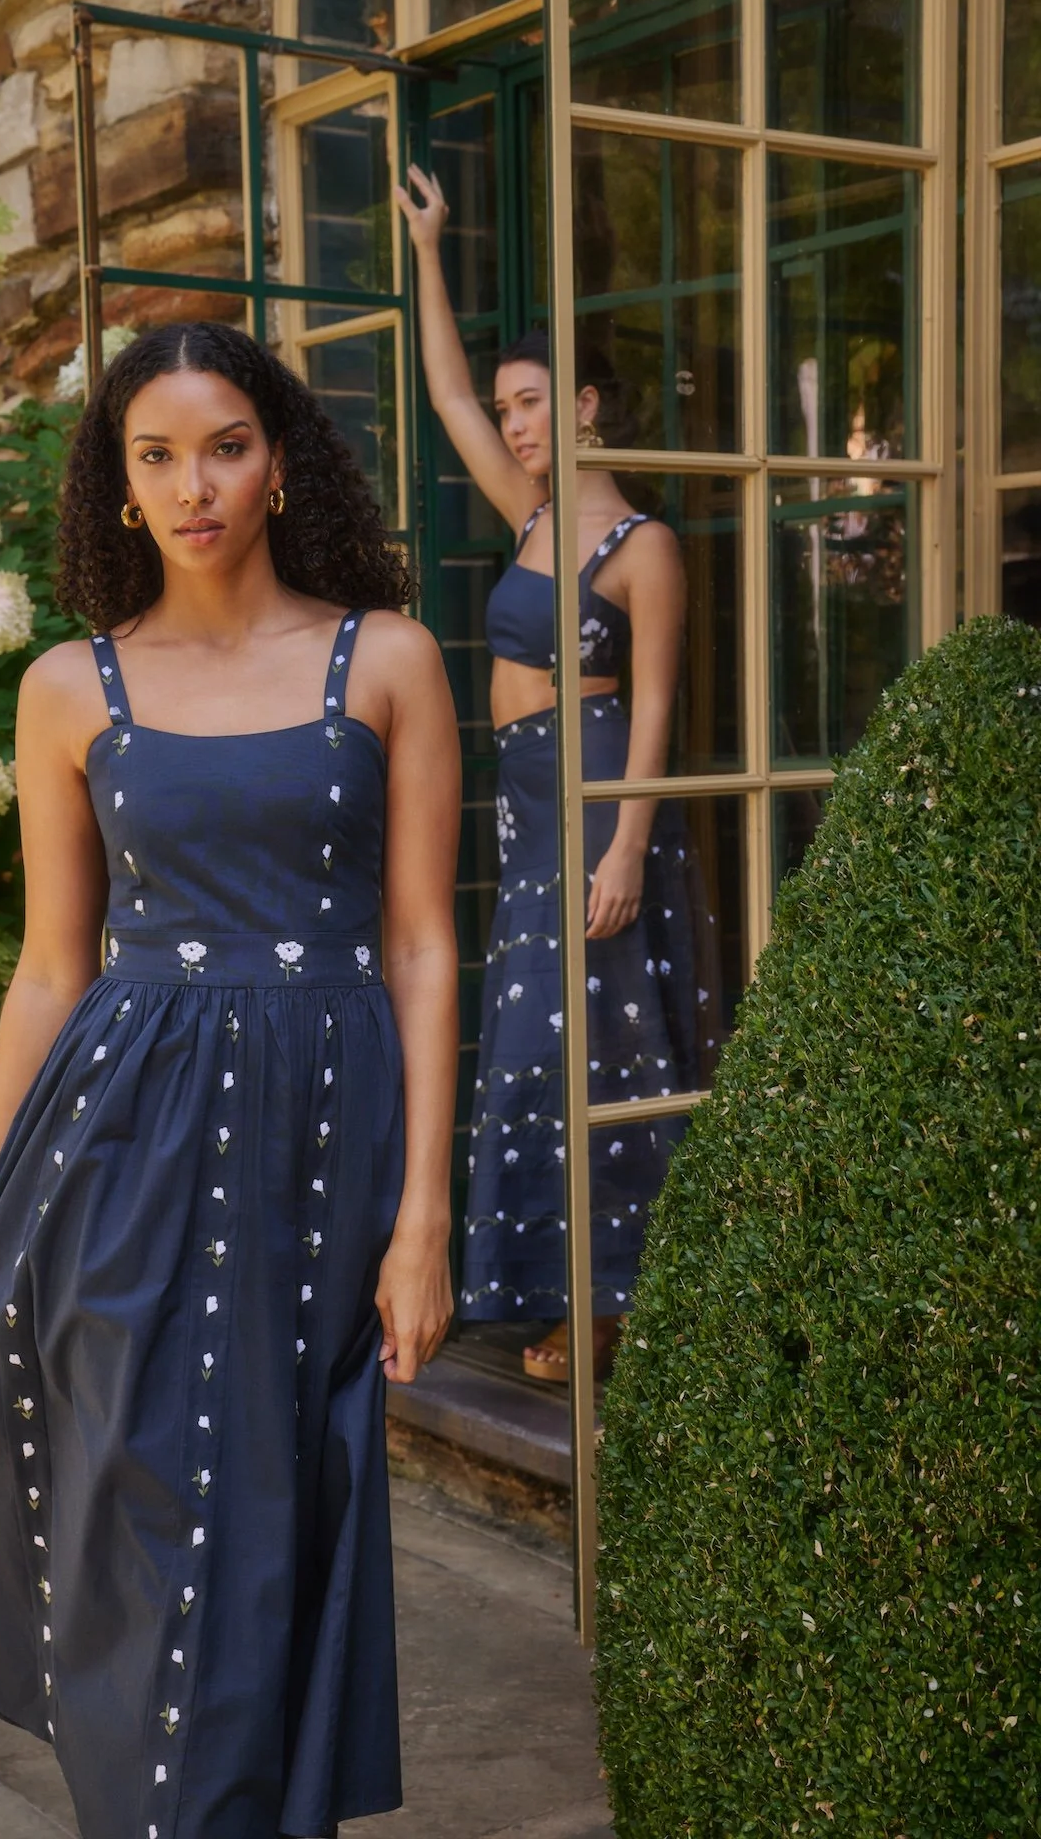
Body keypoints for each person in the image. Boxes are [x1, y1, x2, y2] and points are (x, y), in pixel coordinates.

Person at [0, 321, 461, 1839]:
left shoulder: (388, 657)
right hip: (121, 1132)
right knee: (139, 1493)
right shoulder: (67, 689)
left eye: (224, 446)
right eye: (155, 456)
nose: (193, 484)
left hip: (323, 1131)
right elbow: (49, 967)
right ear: (120, 485)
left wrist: (425, 1216)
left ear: (281, 463)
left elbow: (422, 947)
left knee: (284, 1499)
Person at [397, 163, 701, 1385]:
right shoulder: (525, 513)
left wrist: (624, 845)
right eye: (510, 410)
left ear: (582, 407)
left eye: (534, 406)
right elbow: (445, 390)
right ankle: (559, 1290)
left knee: (608, 1051)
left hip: (593, 805)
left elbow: (659, 707)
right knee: (530, 1049)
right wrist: (429, 245)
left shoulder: (642, 547)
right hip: (524, 809)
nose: (514, 425)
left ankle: (620, 1303)